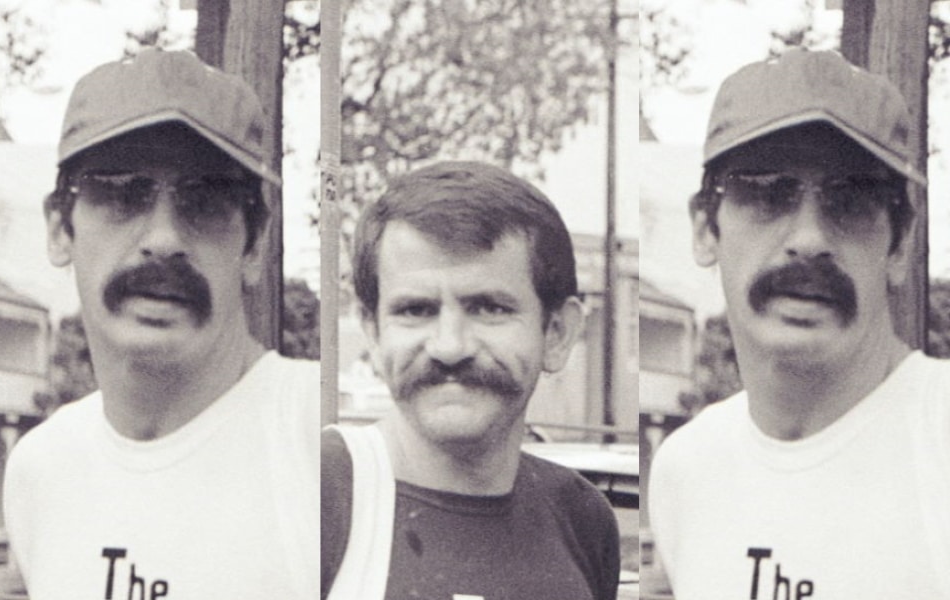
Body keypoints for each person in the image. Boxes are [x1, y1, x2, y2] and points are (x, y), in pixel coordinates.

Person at [0, 49, 320, 598]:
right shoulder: (41, 469)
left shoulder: (321, 441)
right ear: (59, 228)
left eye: (206, 198)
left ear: (255, 243)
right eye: (123, 192)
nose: (164, 238)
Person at [647, 48, 950, 597]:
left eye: (851, 199)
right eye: (766, 192)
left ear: (901, 242)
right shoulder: (685, 471)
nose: (808, 238)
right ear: (705, 228)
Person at [322, 161, 619, 599]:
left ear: (556, 333)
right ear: (372, 329)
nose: (450, 346)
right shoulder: (313, 495)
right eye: (416, 310)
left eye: (490, 308)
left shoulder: (582, 518)